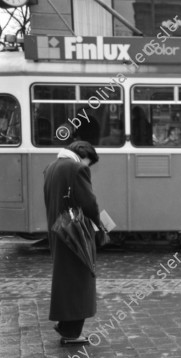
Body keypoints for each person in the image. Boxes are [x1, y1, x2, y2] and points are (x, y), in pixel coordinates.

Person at [43, 141, 106, 345]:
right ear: (83, 155)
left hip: (60, 230)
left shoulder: (52, 166)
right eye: (89, 163)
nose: (88, 167)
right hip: (76, 234)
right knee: (80, 281)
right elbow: (89, 202)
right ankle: (72, 333)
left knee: (66, 280)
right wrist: (101, 225)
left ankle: (65, 326)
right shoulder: (76, 168)